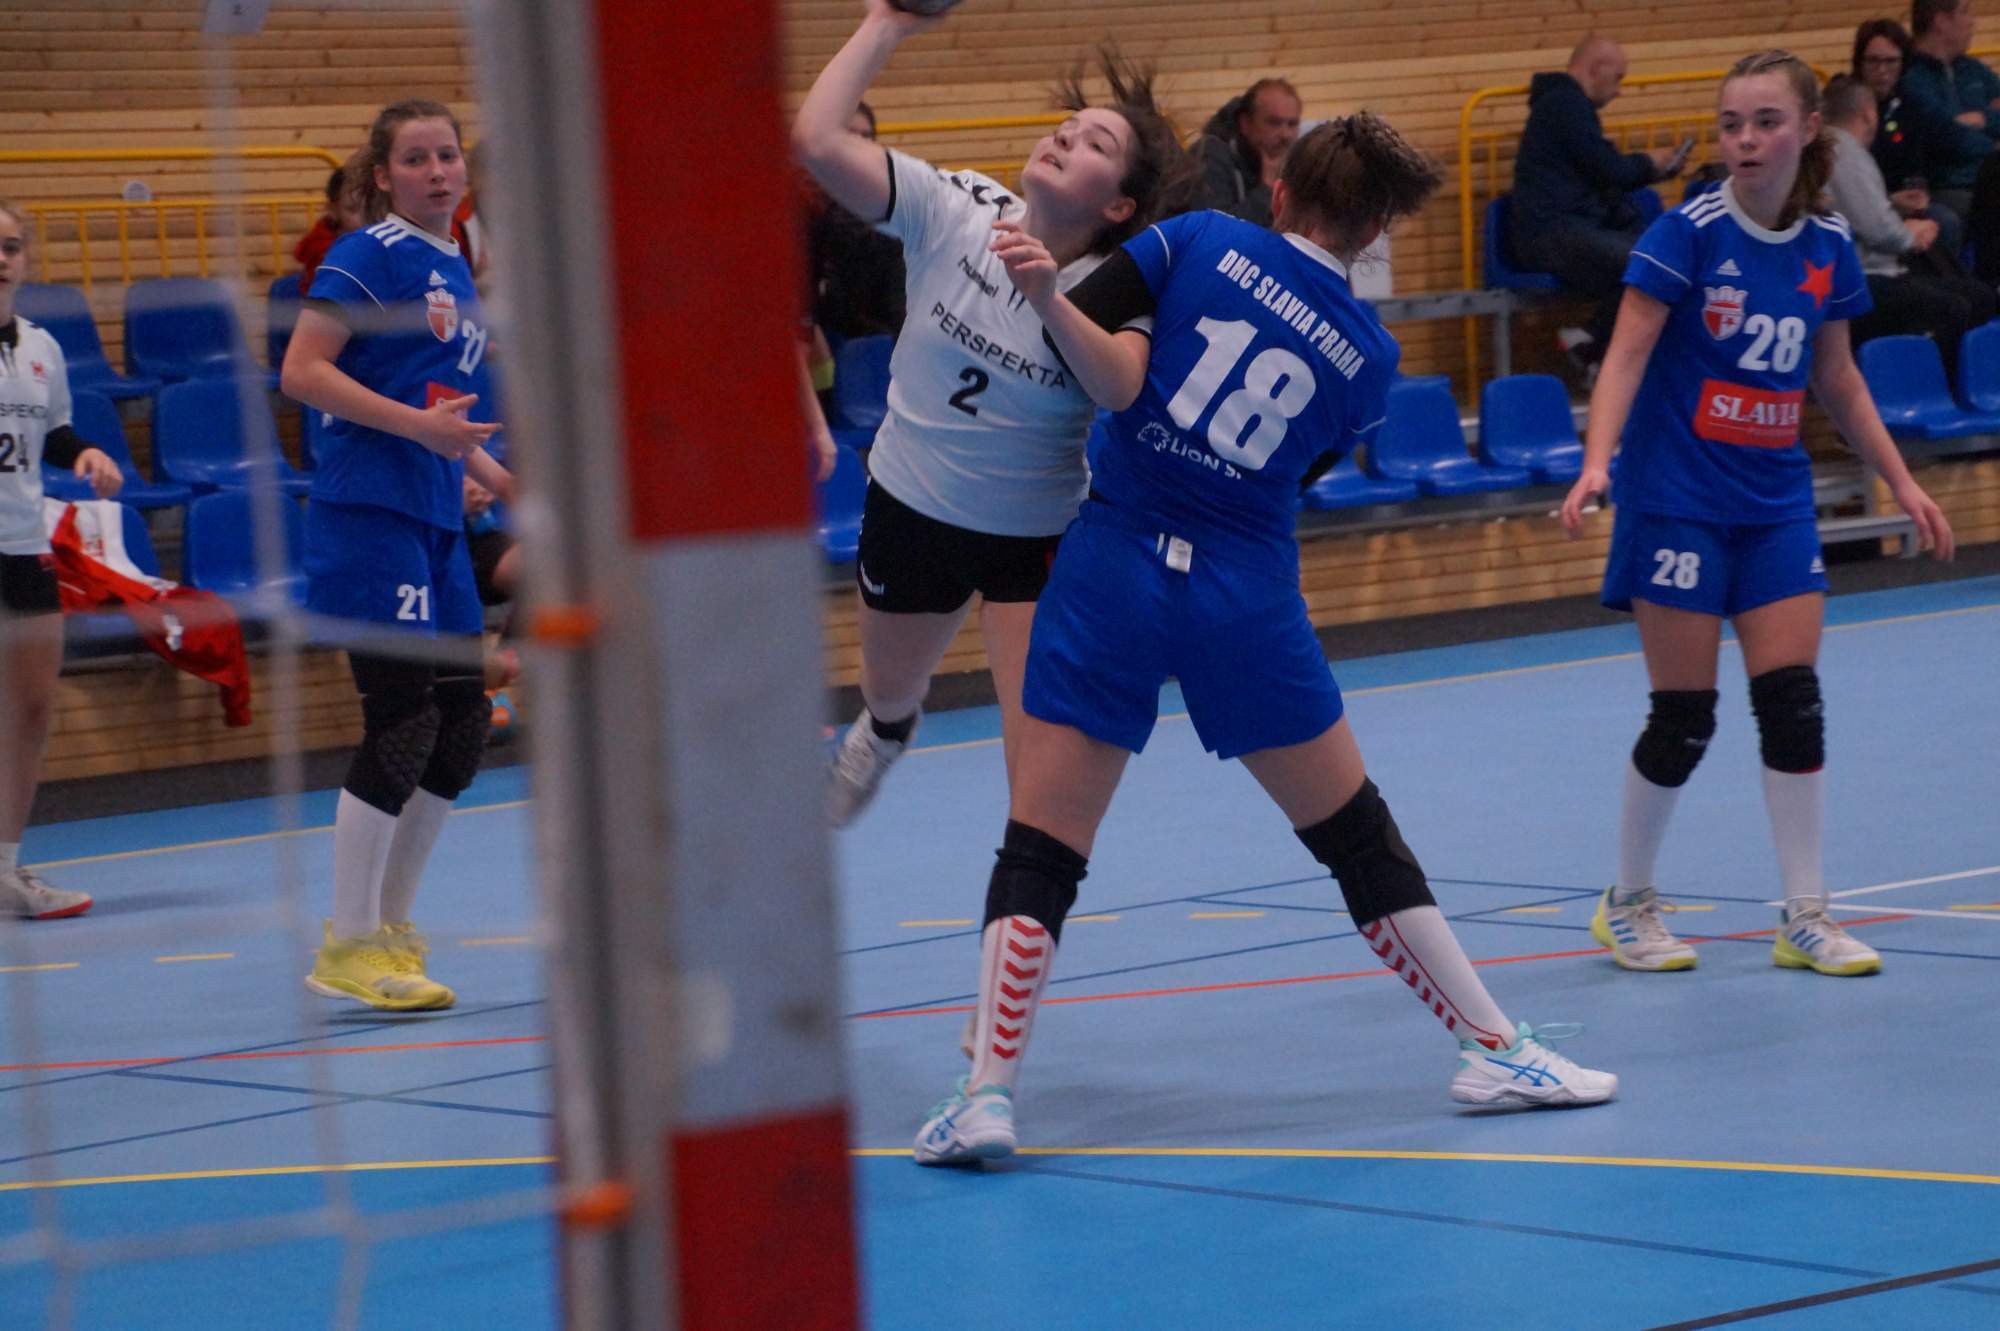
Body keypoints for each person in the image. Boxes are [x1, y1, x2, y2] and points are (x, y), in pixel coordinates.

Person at [913, 114, 1619, 1167]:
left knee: (1041, 846)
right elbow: (1298, 469)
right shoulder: (1370, 358)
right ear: (1373, 230)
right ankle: (1492, 1046)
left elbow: (1066, 337)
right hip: (1240, 591)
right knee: (1354, 833)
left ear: (1279, 191)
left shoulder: (1196, 237)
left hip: (1113, 562)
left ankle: (986, 1095)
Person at [1559, 51, 1954, 979]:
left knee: (1794, 705)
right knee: (1684, 717)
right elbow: (1625, 355)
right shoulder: (1687, 233)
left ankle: (1805, 914)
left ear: (1807, 128)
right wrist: (1596, 462)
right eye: (1732, 123)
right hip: (1677, 503)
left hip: (1774, 505)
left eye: (1766, 121)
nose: (1745, 139)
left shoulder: (1828, 246)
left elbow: (1838, 378)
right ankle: (1627, 901)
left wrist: (1902, 482)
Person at [792, 1, 1189, 826]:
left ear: (1119, 205)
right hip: (911, 505)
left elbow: (1119, 386)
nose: (1064, 139)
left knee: (1035, 763)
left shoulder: (1118, 284)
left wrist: (1047, 297)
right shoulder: (959, 208)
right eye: (1066, 127)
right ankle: (887, 730)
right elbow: (818, 142)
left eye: (1095, 144)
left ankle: (1030, 881)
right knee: (889, 688)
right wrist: (885, 25)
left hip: (1033, 538)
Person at [281, 99, 513, 1010]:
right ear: (383, 175)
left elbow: (438, 410)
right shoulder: (368, 253)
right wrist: (421, 432)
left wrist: (502, 477)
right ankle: (348, 941)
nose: (437, 170)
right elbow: (302, 371)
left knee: (461, 723)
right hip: (369, 512)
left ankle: (389, 928)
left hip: (434, 516)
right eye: (416, 158)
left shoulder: (454, 262)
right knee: (403, 718)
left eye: (447, 154)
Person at [0, 200, 124, 919]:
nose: (1, 258)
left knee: (31, 707)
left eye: (11, 246)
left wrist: (86, 453)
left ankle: (4, 869)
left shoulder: (42, 348)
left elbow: (54, 433)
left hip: (23, 546)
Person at [1512, 36, 1688, 373]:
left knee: (1655, 257)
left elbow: (1601, 171)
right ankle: (1593, 346)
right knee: (1649, 262)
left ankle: (1592, 345)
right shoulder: (1565, 106)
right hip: (1551, 235)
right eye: (1618, 78)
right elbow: (1609, 169)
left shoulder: (1564, 106)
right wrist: (1650, 163)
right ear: (1596, 69)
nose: (1619, 91)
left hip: (1561, 231)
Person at [1823, 74, 1995, 377]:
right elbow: (1880, 230)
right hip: (1864, 278)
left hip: (1859, 273)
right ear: (1869, 113)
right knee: (1957, 304)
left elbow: (1856, 212)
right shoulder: (1845, 152)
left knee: (1972, 293)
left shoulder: (1831, 150)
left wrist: (1892, 204)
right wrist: (1911, 234)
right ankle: (1931, 382)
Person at [1852, 18, 1963, 258]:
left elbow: (1920, 161)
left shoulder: (1910, 103)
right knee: (1946, 221)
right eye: (1873, 61)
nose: (1882, 70)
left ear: (1903, 63)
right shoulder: (1848, 107)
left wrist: (1918, 193)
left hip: (1908, 197)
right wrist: (1890, 200)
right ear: (1860, 63)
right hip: (1866, 204)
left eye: (1891, 61)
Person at [1898, 0, 2000, 217]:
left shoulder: (1972, 69)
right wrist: (1993, 144)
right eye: (1965, 12)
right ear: (1941, 22)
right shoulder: (1913, 78)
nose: (1972, 22)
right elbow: (1948, 136)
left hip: (1988, 178)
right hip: (1950, 187)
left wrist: (1981, 119)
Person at [1189, 78, 1303, 228]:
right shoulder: (1209, 156)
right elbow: (1214, 230)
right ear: (1245, 124)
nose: (1285, 135)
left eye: (1292, 124)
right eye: (1274, 123)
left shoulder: (1297, 161)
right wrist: (1267, 188)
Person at [293, 152, 368, 290]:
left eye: (371, 207)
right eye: (352, 209)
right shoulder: (323, 251)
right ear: (333, 210)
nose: (366, 217)